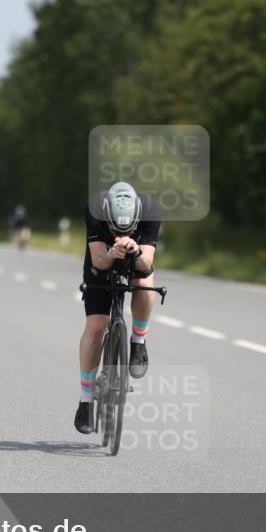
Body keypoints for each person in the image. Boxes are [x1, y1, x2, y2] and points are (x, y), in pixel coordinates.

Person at [75, 182, 161, 434]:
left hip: (136, 260)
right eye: (114, 228)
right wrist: (112, 253)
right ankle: (85, 400)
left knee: (145, 284)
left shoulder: (151, 210)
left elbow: (146, 263)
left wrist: (135, 251)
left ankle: (138, 342)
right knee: (96, 326)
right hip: (102, 259)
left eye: (129, 229)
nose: (120, 233)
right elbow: (98, 262)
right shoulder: (95, 210)